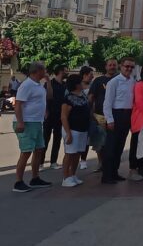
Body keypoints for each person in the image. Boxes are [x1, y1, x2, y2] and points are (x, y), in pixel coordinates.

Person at [12, 62, 52, 193]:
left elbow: (48, 97)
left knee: (39, 149)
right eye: (44, 70)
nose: (46, 72)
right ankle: (18, 182)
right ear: (38, 71)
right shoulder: (27, 85)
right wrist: (20, 122)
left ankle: (35, 178)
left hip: (36, 122)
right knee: (26, 152)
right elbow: (18, 104)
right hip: (26, 122)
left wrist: (48, 81)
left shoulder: (38, 85)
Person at [102, 57, 137, 184]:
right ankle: (106, 175)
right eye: (127, 66)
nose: (129, 69)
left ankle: (114, 172)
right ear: (121, 66)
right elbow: (107, 103)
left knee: (120, 147)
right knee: (111, 147)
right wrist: (109, 120)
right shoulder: (114, 82)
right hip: (116, 115)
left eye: (131, 67)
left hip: (127, 115)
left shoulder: (132, 81)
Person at [60, 74, 90, 187]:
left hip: (82, 129)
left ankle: (73, 174)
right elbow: (63, 116)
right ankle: (65, 177)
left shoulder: (83, 96)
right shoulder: (68, 98)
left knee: (77, 153)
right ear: (77, 84)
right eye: (81, 82)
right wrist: (68, 133)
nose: (83, 84)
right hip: (72, 130)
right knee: (70, 153)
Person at [89, 58, 118, 172]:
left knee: (114, 141)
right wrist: (90, 112)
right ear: (106, 67)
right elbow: (91, 97)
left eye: (114, 65)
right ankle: (101, 163)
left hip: (115, 115)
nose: (112, 67)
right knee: (100, 142)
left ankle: (112, 164)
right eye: (110, 65)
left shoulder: (119, 79)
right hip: (100, 116)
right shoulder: (98, 80)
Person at [44, 65, 67, 170]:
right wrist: (45, 111)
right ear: (61, 71)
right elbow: (44, 98)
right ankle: (40, 163)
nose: (67, 71)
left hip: (60, 115)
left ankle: (53, 162)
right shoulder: (49, 84)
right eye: (66, 70)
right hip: (49, 115)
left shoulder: (65, 85)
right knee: (45, 138)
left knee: (57, 139)